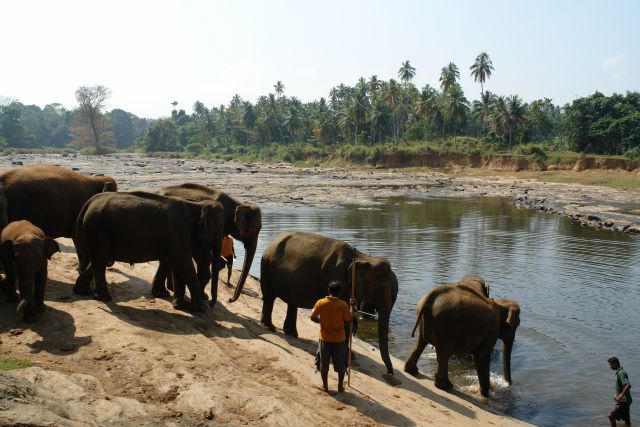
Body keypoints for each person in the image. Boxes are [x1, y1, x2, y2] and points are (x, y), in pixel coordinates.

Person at [310, 280, 354, 393]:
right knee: (341, 365)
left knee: (323, 364)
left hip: (324, 339)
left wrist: (321, 321)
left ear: (328, 290)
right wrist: (352, 307)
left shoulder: (320, 302)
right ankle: (340, 386)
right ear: (339, 292)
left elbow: (312, 317)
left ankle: (325, 386)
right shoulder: (343, 305)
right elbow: (349, 319)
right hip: (339, 340)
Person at [608, 357, 632, 427]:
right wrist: (617, 395)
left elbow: (628, 385)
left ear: (615, 364)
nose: (610, 367)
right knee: (626, 421)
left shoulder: (621, 373)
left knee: (611, 416)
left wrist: (621, 395)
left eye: (610, 365)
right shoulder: (620, 372)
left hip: (623, 401)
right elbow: (623, 387)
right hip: (626, 400)